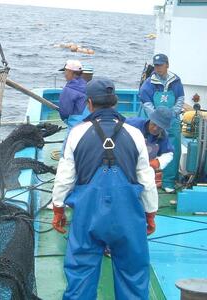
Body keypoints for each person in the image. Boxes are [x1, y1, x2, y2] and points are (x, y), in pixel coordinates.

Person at [52, 77, 158, 300]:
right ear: (115, 102)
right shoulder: (136, 134)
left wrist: (58, 208)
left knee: (80, 274)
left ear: (89, 103)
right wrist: (150, 213)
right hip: (127, 216)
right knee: (133, 274)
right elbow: (146, 181)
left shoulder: (77, 133)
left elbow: (65, 178)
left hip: (87, 215)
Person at [139, 53, 184, 193]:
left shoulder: (175, 81)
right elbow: (146, 102)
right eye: (156, 65)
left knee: (173, 149)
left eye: (161, 65)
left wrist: (174, 113)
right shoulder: (149, 83)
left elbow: (180, 98)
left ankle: (168, 181)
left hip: (172, 120)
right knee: (149, 149)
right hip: (155, 121)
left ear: (167, 65)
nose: (158, 68)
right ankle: (146, 179)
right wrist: (156, 117)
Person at [126, 106, 174, 187]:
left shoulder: (163, 136)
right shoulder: (132, 123)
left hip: (143, 169)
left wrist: (158, 162)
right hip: (125, 163)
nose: (155, 129)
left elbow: (169, 153)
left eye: (160, 127)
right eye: (154, 124)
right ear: (150, 119)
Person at [58, 60, 88, 131]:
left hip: (75, 127)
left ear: (70, 72)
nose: (64, 74)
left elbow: (64, 113)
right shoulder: (88, 86)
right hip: (90, 125)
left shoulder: (68, 90)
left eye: (65, 71)